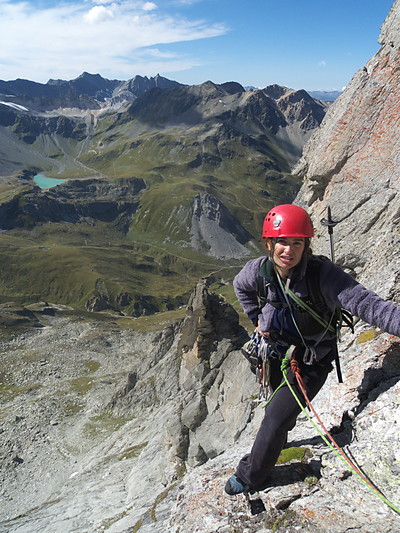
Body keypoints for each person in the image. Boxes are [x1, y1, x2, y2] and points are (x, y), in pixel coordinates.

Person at [225, 203, 400, 495]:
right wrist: (256, 318)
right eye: (282, 241)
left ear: (307, 244)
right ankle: (278, 439)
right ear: (269, 242)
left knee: (276, 417)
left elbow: (370, 306)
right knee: (282, 414)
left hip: (310, 363)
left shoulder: (325, 276)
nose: (288, 251)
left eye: (297, 243)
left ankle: (249, 477)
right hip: (275, 356)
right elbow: (240, 286)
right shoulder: (258, 271)